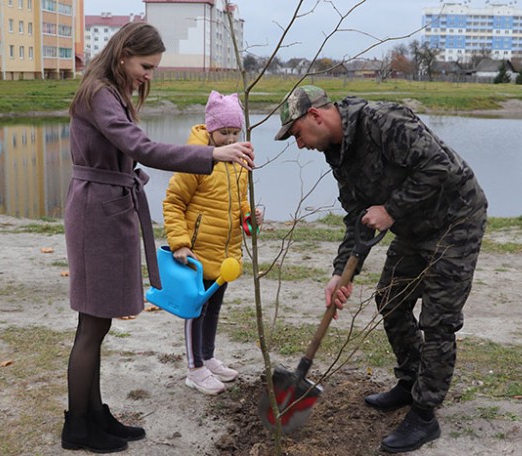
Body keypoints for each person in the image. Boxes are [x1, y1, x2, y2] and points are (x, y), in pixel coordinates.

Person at [62, 23, 254, 454]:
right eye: (146, 66)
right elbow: (142, 147)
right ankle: (78, 426)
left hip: (107, 207)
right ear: (124, 52)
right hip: (96, 212)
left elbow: (132, 149)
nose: (149, 75)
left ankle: (93, 411)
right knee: (92, 322)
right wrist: (212, 154)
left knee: (98, 319)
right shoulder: (98, 92)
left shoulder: (109, 91)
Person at [274, 86, 487, 453]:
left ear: (316, 116)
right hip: (413, 229)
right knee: (390, 299)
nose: (300, 145)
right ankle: (410, 382)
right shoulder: (337, 154)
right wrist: (341, 273)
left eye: (297, 135)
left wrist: (390, 209)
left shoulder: (384, 122)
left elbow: (439, 165)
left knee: (438, 320)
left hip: (455, 221)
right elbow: (357, 218)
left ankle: (424, 414)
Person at [162, 90, 263, 395]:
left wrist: (251, 218)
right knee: (197, 310)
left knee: (214, 307)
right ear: (209, 129)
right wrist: (180, 243)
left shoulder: (239, 163)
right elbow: (173, 201)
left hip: (225, 254)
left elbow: (238, 204)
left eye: (235, 132)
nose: (230, 138)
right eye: (224, 133)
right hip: (197, 252)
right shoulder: (195, 160)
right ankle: (194, 369)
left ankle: (207, 356)